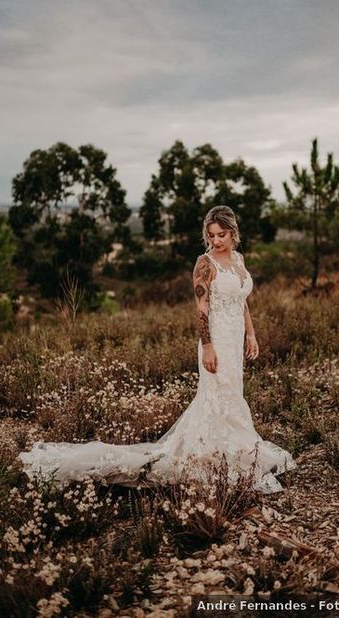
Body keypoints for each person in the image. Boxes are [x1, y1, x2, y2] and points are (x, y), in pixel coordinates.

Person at [19, 205, 296, 493]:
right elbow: (201, 310)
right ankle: (214, 455)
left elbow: (241, 300)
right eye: (211, 235)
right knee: (218, 396)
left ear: (234, 232)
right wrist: (208, 347)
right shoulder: (205, 264)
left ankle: (230, 449)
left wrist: (251, 333)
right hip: (216, 342)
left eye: (222, 235)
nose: (216, 241)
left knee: (232, 394)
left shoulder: (238, 260)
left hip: (235, 338)